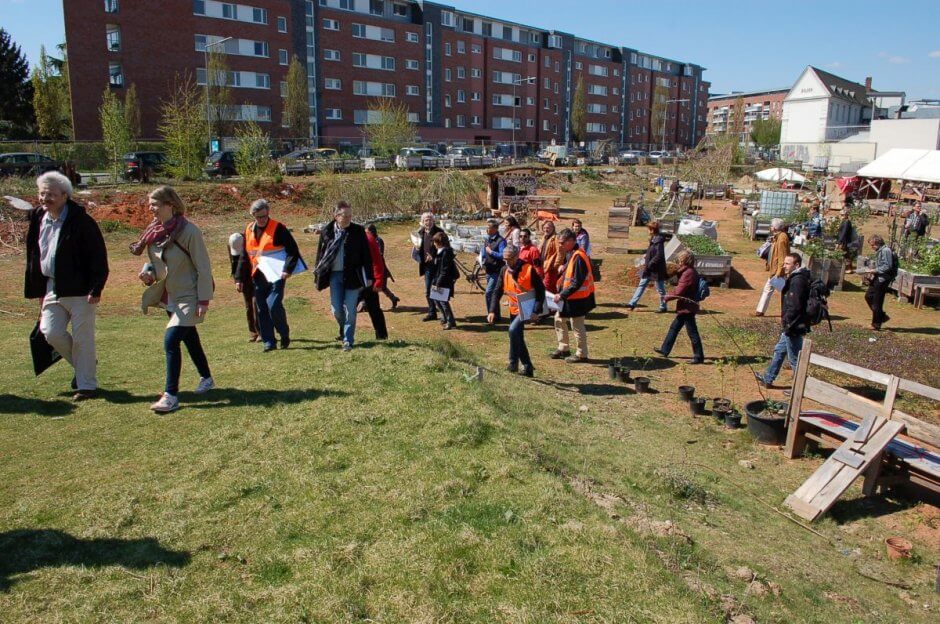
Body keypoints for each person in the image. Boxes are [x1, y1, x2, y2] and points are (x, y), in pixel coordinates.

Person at [25, 171, 109, 401]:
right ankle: (86, 365)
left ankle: (87, 386)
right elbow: (34, 254)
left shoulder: (82, 222)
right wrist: (38, 288)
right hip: (52, 286)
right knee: (50, 332)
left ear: (65, 195)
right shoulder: (39, 218)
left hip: (81, 289)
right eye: (42, 193)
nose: (44, 198)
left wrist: (96, 287)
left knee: (83, 338)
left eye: (50, 194)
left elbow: (98, 256)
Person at [136, 186, 215, 413]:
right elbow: (156, 262)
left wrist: (203, 300)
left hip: (189, 295)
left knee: (171, 341)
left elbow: (203, 267)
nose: (151, 208)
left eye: (155, 204)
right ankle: (207, 378)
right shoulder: (154, 231)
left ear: (170, 205)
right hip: (170, 294)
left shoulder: (190, 231)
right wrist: (148, 273)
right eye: (150, 204)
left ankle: (170, 395)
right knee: (190, 339)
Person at [235, 199, 302, 352]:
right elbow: (244, 255)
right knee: (261, 308)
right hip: (258, 275)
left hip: (277, 274)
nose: (263, 219)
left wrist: (287, 269)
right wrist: (238, 278)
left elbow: (293, 250)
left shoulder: (279, 228)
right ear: (253, 215)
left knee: (273, 306)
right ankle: (269, 342)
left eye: (265, 216)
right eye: (259, 217)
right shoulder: (249, 229)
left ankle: (284, 333)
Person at [315, 201, 374, 350]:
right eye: (344, 216)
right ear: (336, 216)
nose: (348, 218)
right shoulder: (327, 231)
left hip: (352, 275)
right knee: (336, 310)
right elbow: (321, 255)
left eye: (350, 215)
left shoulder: (358, 231)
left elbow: (366, 255)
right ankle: (344, 328)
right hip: (334, 275)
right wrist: (318, 275)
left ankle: (348, 340)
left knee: (351, 310)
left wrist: (369, 275)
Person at [488, 244, 545, 377]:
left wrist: (536, 311)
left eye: (509, 259)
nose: (506, 262)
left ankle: (523, 364)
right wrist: (492, 311)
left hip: (527, 308)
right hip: (514, 308)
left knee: (513, 330)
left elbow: (541, 291)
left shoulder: (529, 269)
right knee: (516, 335)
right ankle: (517, 365)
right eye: (505, 259)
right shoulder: (504, 270)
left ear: (517, 256)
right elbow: (497, 291)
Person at [755, 253, 810, 387]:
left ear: (796, 265)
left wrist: (788, 322)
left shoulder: (798, 281)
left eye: (787, 264)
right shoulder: (796, 277)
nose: (784, 266)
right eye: (784, 263)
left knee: (795, 360)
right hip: (791, 324)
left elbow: (795, 306)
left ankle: (802, 388)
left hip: (794, 325)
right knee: (779, 351)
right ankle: (768, 379)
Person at [551, 228, 596, 363]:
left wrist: (562, 295)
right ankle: (564, 348)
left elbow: (577, 282)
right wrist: (564, 266)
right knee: (559, 319)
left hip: (578, 299)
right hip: (570, 298)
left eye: (562, 242)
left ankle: (582, 354)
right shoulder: (572, 253)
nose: (559, 245)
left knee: (577, 325)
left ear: (570, 241)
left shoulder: (579, 257)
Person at [654, 251, 704, 364]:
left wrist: (666, 297)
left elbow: (679, 291)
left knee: (692, 332)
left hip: (688, 308)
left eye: (680, 259)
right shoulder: (688, 271)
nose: (678, 261)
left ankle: (698, 357)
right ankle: (665, 350)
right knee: (674, 328)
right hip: (686, 307)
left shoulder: (688, 273)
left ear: (684, 260)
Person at [626, 221, 667, 312]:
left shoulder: (659, 241)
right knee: (641, 284)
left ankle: (663, 307)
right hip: (649, 268)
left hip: (657, 269)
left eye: (648, 229)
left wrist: (650, 263)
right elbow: (652, 251)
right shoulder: (654, 238)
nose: (647, 230)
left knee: (660, 289)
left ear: (652, 230)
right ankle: (632, 303)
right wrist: (646, 254)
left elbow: (659, 256)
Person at [755, 218, 791, 316]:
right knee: (784, 291)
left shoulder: (782, 238)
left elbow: (782, 257)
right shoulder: (778, 236)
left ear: (774, 227)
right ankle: (760, 311)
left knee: (781, 290)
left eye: (771, 226)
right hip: (776, 270)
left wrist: (779, 273)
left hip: (778, 271)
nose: (770, 227)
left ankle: (760, 311)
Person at [228, 233, 258, 341]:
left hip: (255, 277)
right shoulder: (232, 243)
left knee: (256, 304)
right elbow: (234, 264)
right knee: (248, 306)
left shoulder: (252, 242)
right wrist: (237, 280)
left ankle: (261, 332)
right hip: (243, 279)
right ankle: (253, 332)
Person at [863, 235, 897, 331]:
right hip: (879, 277)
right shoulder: (881, 250)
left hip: (883, 278)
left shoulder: (886, 251)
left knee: (877, 301)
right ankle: (882, 316)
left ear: (877, 243)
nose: (871, 247)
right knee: (868, 296)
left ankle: (876, 324)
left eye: (872, 245)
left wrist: (875, 270)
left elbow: (887, 266)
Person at [361, 225, 388, 340]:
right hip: (352, 280)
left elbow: (378, 261)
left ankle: (381, 335)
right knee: (347, 308)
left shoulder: (368, 238)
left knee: (374, 308)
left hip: (368, 280)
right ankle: (345, 335)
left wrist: (378, 281)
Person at [416, 212, 443, 321]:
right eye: (426, 220)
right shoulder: (421, 232)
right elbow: (419, 246)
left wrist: (434, 257)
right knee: (428, 291)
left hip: (438, 266)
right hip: (427, 267)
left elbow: (446, 249)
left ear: (433, 220)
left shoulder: (439, 232)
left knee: (438, 290)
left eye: (430, 219)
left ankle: (444, 314)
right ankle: (432, 312)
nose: (428, 222)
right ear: (423, 221)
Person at [366, 223, 399, 309]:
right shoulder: (367, 240)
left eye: (367, 231)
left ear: (372, 231)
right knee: (371, 286)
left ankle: (393, 298)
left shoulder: (378, 240)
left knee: (381, 287)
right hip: (370, 267)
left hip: (379, 266)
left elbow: (380, 254)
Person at [480, 218, 507, 324]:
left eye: (489, 227)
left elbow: (502, 255)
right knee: (492, 294)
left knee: (489, 293)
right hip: (489, 270)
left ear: (495, 229)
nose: (487, 229)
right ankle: (495, 315)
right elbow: (484, 249)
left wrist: (491, 252)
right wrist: (481, 257)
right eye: (487, 227)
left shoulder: (501, 241)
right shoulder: (488, 239)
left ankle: (491, 315)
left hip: (497, 271)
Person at [430, 231, 458, 330]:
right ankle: (445, 318)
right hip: (438, 278)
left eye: (435, 242)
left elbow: (444, 269)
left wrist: (438, 282)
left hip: (444, 280)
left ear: (440, 242)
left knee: (443, 301)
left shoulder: (446, 252)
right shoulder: (439, 251)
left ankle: (450, 321)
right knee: (436, 300)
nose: (434, 244)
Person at [539, 220, 563, 294]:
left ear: (553, 228)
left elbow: (561, 254)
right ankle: (557, 304)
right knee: (552, 288)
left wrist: (555, 266)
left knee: (545, 287)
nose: (546, 229)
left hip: (551, 267)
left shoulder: (556, 238)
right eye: (545, 228)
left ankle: (545, 304)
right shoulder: (544, 237)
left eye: (548, 228)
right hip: (544, 266)